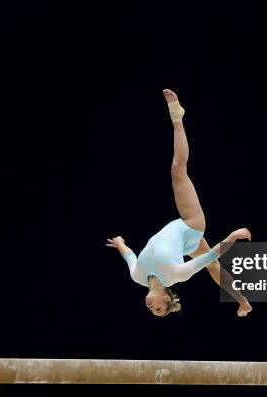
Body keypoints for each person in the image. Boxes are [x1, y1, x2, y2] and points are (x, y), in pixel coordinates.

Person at [107, 89, 253, 317]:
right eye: (159, 310)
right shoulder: (177, 274)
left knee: (214, 269)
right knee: (178, 170)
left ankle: (243, 301)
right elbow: (212, 254)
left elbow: (130, 256)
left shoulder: (137, 276)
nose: (152, 309)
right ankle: (177, 117)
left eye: (153, 311)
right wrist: (232, 237)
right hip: (191, 225)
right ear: (166, 298)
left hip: (186, 242)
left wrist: (120, 243)